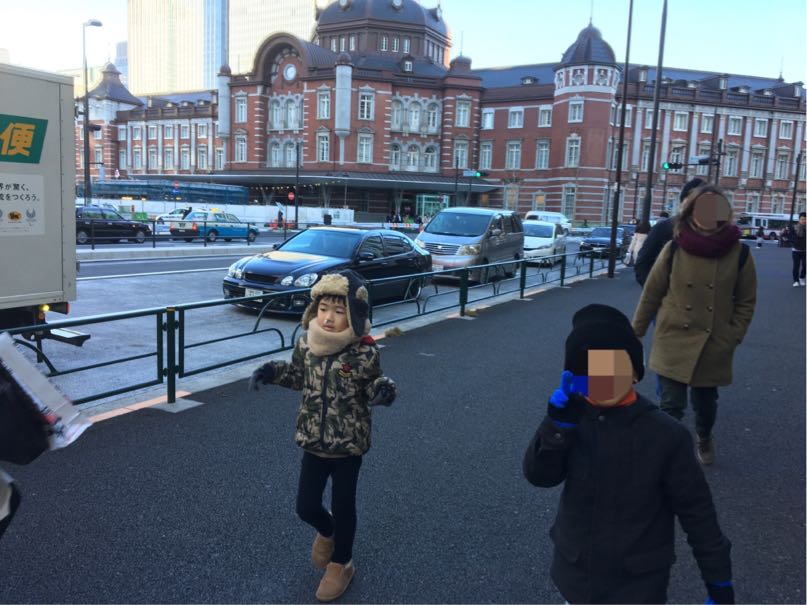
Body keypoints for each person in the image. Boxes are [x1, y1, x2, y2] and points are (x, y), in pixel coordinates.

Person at [522, 304, 734, 604]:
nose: (602, 378)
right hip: (576, 574)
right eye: (588, 370)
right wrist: (555, 426)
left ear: (635, 372)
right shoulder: (573, 419)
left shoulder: (666, 436)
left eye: (612, 368)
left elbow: (698, 514)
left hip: (637, 585)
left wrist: (718, 581)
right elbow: (540, 476)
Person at [248, 270, 396, 602]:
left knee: (344, 506)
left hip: (348, 445)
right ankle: (327, 531)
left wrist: (384, 390)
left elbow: (373, 383)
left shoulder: (363, 353)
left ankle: (342, 563)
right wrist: (271, 372)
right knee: (305, 506)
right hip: (313, 441)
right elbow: (297, 376)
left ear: (354, 314)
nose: (328, 318)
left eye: (339, 311)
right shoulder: (306, 343)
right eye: (323, 308)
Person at [632, 185, 757, 465]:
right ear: (690, 212)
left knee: (705, 403)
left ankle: (704, 436)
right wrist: (634, 333)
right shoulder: (674, 247)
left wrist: (733, 334)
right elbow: (652, 293)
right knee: (671, 404)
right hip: (673, 335)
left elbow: (746, 301)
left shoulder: (739, 253)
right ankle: (667, 454)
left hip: (713, 340)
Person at [634, 177, 706, 286]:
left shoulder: (717, 232)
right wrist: (657, 291)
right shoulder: (663, 228)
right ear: (683, 203)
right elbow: (642, 264)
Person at [791, 212, 806, 286]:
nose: (804, 221)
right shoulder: (794, 227)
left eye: (805, 219)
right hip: (796, 250)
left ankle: (802, 278)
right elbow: (791, 238)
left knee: (805, 265)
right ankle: (795, 281)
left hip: (805, 250)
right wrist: (795, 243)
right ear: (799, 219)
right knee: (796, 266)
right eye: (802, 219)